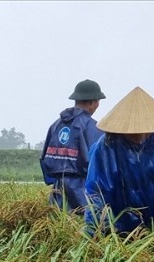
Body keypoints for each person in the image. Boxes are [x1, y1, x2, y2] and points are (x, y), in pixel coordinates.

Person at [84, 86, 154, 236]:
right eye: (134, 131)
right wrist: (104, 227)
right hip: (116, 225)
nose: (140, 135)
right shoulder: (107, 146)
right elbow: (96, 192)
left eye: (144, 130)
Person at [40, 79, 106, 214]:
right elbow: (101, 161)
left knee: (59, 223)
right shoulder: (93, 127)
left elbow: (45, 159)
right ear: (93, 102)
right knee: (86, 225)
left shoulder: (55, 125)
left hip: (58, 188)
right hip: (83, 188)